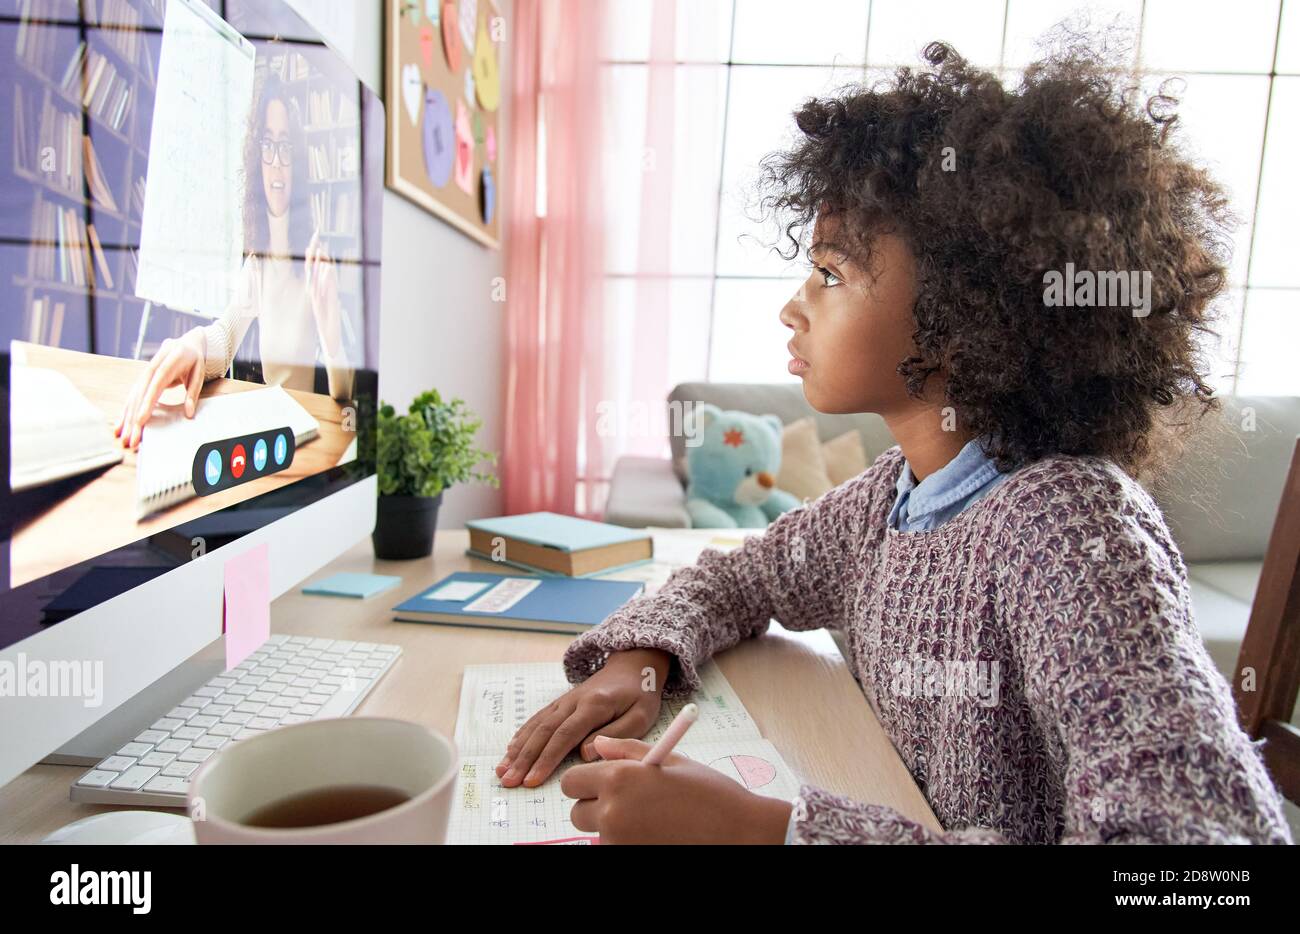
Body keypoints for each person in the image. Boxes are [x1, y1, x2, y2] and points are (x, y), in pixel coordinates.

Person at [497, 41, 1293, 844]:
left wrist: (770, 835)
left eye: (832, 274)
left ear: (964, 309)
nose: (793, 308)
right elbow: (738, 578)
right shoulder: (891, 499)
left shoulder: (1074, 533)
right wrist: (643, 657)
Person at [116, 72, 353, 449]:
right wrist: (193, 343)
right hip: (272, 435)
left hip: (309, 442)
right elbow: (226, 337)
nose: (276, 163)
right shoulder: (257, 264)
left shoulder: (315, 262)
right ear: (256, 156)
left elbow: (346, 397)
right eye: (268, 146)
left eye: (286, 147)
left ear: (299, 162)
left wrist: (332, 339)